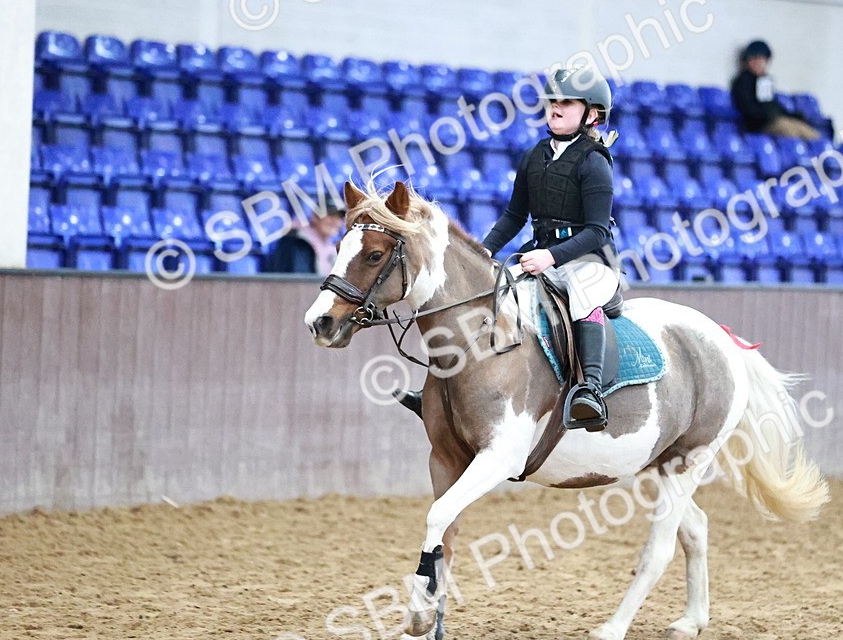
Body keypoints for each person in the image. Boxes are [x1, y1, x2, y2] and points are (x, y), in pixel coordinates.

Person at [396, 65, 621, 432]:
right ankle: (440, 391)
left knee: (581, 297)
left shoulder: (595, 163)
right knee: (489, 295)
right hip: (540, 257)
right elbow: (514, 215)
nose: (556, 108)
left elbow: (597, 231)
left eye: (567, 103)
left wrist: (551, 256)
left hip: (591, 262)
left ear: (592, 114)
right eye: (552, 101)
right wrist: (481, 252)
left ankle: (590, 391)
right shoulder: (535, 156)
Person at [730, 39, 822, 140]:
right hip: (759, 125)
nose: (759, 63)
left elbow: (770, 103)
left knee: (810, 133)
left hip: (773, 120)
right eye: (755, 59)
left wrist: (790, 115)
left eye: (762, 60)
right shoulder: (743, 81)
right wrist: (767, 115)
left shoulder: (764, 81)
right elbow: (749, 108)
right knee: (790, 131)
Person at [262, 199, 345, 274]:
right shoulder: (296, 243)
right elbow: (299, 280)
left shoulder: (335, 248)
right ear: (315, 217)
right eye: (331, 216)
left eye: (339, 217)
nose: (336, 222)